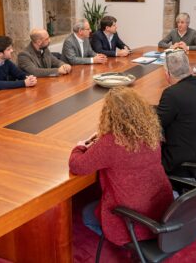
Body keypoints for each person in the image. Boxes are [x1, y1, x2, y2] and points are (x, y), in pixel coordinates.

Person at [69, 87, 173, 246]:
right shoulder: (151, 133)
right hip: (162, 210)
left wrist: (80, 146)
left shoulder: (111, 143)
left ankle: (131, 244)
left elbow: (77, 166)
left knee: (86, 215)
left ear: (109, 115)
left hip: (134, 220)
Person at [156, 50, 196, 176]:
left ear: (167, 74)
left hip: (186, 165)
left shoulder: (171, 94)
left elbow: (155, 125)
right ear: (189, 69)